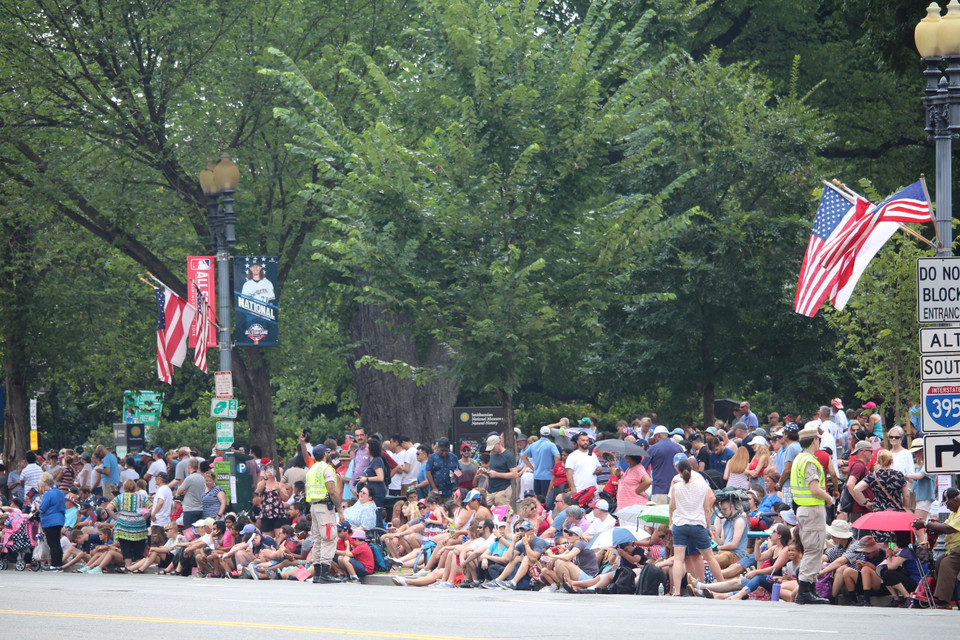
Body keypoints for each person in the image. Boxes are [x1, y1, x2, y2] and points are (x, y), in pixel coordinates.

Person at [790, 422, 833, 604]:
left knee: (814, 549)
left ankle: (811, 588)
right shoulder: (808, 461)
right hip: (813, 508)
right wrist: (829, 498)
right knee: (813, 549)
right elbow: (814, 488)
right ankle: (805, 591)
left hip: (805, 508)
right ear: (814, 440)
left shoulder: (800, 458)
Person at [668, 457, 723, 595]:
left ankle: (677, 590)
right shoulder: (702, 486)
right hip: (697, 524)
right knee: (709, 557)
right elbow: (706, 509)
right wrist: (709, 527)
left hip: (680, 524)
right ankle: (722, 583)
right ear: (691, 469)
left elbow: (672, 507)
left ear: (679, 472)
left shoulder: (676, 487)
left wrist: (670, 522)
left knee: (678, 559)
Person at [306, 444, 344, 583]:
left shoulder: (311, 470)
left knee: (318, 540)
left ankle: (317, 574)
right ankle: (324, 573)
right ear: (325, 454)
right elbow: (332, 491)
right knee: (329, 537)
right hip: (324, 507)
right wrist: (339, 510)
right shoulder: (326, 469)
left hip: (314, 507)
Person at [917, 487, 960, 609]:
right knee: (939, 562)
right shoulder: (954, 513)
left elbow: (949, 529)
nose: (947, 507)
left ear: (956, 499)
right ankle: (942, 595)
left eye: (948, 504)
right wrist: (930, 528)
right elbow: (944, 525)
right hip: (954, 549)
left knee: (947, 564)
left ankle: (944, 602)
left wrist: (926, 523)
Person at [852, 450, 909, 542]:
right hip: (895, 513)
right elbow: (906, 495)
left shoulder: (873, 476)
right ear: (891, 461)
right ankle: (890, 552)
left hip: (879, 513)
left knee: (880, 540)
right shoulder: (899, 475)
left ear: (877, 461)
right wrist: (905, 506)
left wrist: (866, 502)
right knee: (892, 539)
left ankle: (883, 553)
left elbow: (856, 489)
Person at [106, 478, 152, 572]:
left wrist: (116, 518)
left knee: (126, 547)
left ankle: (128, 567)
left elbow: (109, 508)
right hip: (139, 526)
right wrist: (143, 516)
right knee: (139, 548)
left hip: (123, 525)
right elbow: (151, 507)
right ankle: (138, 568)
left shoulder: (120, 497)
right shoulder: (141, 497)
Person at [644, 426, 683, 504]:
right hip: (676, 490)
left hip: (659, 490)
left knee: (658, 515)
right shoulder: (679, 448)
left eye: (655, 438)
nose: (655, 440)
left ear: (658, 436)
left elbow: (642, 467)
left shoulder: (653, 449)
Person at [37, 474, 66, 570]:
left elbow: (42, 508)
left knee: (52, 544)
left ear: (45, 484)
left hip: (50, 521)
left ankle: (54, 564)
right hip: (59, 520)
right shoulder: (60, 492)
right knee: (57, 543)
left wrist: (36, 505)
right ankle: (58, 564)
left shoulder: (49, 494)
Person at [524, 427, 560, 500]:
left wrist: (532, 468)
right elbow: (558, 456)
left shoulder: (534, 445)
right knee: (547, 499)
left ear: (540, 434)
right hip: (548, 476)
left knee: (538, 499)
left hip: (537, 475)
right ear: (549, 434)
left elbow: (523, 456)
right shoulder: (551, 445)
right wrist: (555, 469)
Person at [482, 435, 518, 507]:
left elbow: (515, 474)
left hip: (503, 490)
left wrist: (497, 474)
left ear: (498, 443)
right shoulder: (492, 454)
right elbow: (492, 469)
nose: (492, 450)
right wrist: (485, 471)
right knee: (487, 512)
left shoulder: (508, 456)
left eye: (493, 447)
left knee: (502, 515)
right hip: (491, 490)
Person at [355, 438, 387, 508]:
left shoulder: (377, 460)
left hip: (377, 492)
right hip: (370, 491)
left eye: (367, 447)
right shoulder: (371, 461)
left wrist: (366, 479)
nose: (365, 448)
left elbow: (380, 477)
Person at [176, 458, 205, 528]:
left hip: (189, 509)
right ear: (197, 467)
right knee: (199, 531)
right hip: (201, 509)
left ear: (188, 467)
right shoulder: (202, 478)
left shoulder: (189, 478)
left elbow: (178, 492)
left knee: (190, 533)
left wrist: (184, 491)